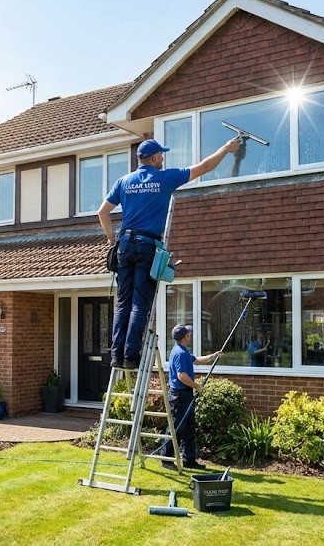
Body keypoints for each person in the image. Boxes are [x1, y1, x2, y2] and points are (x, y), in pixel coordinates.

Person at [98, 137, 240, 370]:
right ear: (154, 157)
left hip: (124, 245)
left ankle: (116, 356)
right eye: (161, 155)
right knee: (140, 303)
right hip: (146, 246)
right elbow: (204, 167)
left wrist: (112, 239)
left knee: (123, 303)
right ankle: (131, 357)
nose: (163, 159)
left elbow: (103, 212)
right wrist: (226, 148)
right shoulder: (165, 178)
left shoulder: (124, 181)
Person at [161, 324, 220, 470]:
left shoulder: (183, 350)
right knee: (177, 428)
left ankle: (189, 460)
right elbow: (181, 376)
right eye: (188, 334)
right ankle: (166, 459)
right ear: (185, 337)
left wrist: (213, 356)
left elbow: (197, 360)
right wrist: (197, 386)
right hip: (179, 396)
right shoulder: (180, 353)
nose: (190, 335)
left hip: (186, 394)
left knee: (189, 429)